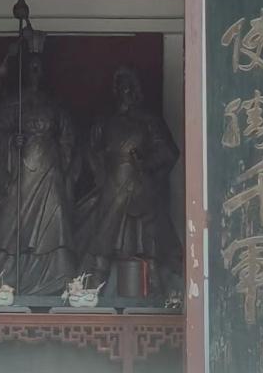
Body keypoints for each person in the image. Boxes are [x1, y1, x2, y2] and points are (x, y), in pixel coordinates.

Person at [0, 27, 78, 296]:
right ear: (25, 72)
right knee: (10, 225)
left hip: (49, 173)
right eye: (31, 68)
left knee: (53, 225)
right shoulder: (12, 103)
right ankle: (4, 280)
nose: (35, 72)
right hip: (17, 173)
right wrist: (10, 142)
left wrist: (62, 164)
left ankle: (54, 280)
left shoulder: (54, 105)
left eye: (39, 68)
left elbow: (68, 138)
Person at [75, 66, 183, 296]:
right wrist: (100, 173)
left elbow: (169, 152)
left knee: (149, 244)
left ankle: (156, 294)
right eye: (124, 87)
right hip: (112, 186)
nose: (128, 92)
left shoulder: (148, 121)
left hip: (141, 186)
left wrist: (147, 163)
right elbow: (91, 151)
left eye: (132, 87)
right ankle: (93, 290)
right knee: (104, 239)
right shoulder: (105, 122)